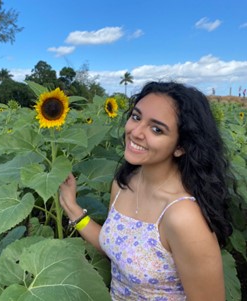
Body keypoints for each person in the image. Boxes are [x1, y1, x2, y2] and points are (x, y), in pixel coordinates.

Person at [60, 81, 233, 301]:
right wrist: (72, 208)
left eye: (156, 129)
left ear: (181, 146)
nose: (136, 132)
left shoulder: (183, 217)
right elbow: (119, 251)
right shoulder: (124, 184)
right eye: (136, 117)